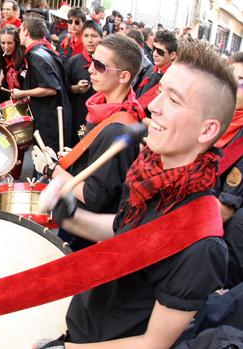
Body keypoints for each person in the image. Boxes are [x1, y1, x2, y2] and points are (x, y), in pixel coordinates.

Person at [35, 39, 231, 349]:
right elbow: (123, 234)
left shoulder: (202, 244)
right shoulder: (148, 177)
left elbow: (152, 344)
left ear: (206, 130)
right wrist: (69, 212)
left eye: (174, 100)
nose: (154, 105)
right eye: (161, 91)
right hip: (81, 322)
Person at [34, 34, 145, 251]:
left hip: (88, 228)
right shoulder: (104, 107)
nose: (91, 69)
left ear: (123, 77)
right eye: (92, 61)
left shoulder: (118, 129)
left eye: (100, 66)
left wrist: (51, 170)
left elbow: (95, 197)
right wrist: (74, 157)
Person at [13, 16, 71, 152]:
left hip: (50, 119)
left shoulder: (36, 55)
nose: (19, 34)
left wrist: (22, 93)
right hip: (53, 115)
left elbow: (51, 88)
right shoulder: (45, 50)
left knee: (47, 163)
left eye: (20, 30)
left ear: (26, 31)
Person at [214, 52, 243, 288]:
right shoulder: (218, 121)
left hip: (213, 249)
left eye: (240, 82)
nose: (233, 87)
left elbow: (224, 211)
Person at [65, 20, 102, 146]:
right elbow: (64, 89)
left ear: (102, 38)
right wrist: (76, 88)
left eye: (94, 36)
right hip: (78, 114)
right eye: (86, 36)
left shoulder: (108, 63)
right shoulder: (74, 62)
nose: (90, 40)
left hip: (101, 114)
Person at [135, 30, 178, 114]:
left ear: (172, 55)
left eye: (160, 52)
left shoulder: (172, 79)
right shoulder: (150, 69)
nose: (155, 54)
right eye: (154, 49)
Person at [0, 25, 25, 103]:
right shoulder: (2, 54)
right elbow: (5, 68)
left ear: (17, 42)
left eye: (10, 43)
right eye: (3, 43)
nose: (6, 47)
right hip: (11, 100)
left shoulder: (25, 58)